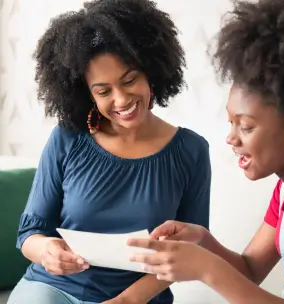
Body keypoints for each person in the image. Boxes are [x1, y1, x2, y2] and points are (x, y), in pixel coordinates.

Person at [128, 0, 284, 303]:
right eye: (231, 122)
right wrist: (203, 242)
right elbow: (250, 269)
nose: (231, 138)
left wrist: (205, 268)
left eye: (246, 127)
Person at [7, 1, 211, 304]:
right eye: (103, 91)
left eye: (129, 81)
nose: (121, 99)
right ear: (87, 94)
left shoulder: (190, 151)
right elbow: (30, 232)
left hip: (138, 298)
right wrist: (46, 252)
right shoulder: (67, 139)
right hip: (53, 289)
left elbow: (192, 250)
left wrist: (127, 300)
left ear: (151, 74)